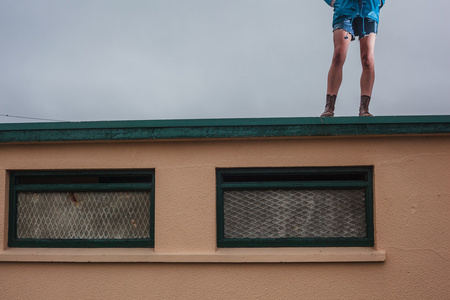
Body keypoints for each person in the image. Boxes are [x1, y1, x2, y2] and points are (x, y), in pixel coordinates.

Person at [321, 0, 385, 117]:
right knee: (338, 55)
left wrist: (380, 1)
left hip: (369, 9)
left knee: (367, 59)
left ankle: (364, 108)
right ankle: (329, 107)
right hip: (345, 8)